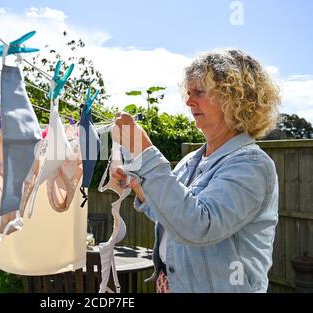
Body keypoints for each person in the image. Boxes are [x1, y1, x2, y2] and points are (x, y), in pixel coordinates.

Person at [111, 48, 281, 293]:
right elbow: (173, 216)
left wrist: (145, 153)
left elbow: (199, 226)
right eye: (189, 93)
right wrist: (140, 187)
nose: (189, 101)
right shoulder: (192, 159)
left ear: (234, 97)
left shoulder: (252, 165)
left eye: (199, 92)